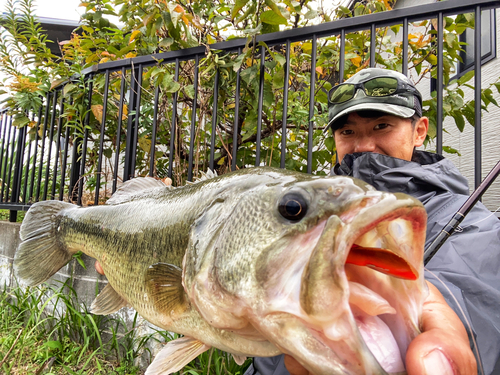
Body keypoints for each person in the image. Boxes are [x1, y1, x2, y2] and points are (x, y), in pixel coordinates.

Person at [245, 68, 500, 375]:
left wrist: (414, 309)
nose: (364, 146)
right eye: (347, 132)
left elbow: (479, 297)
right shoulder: (306, 215)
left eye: (382, 126)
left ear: (419, 131)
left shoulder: (470, 219)